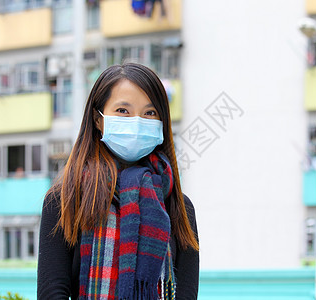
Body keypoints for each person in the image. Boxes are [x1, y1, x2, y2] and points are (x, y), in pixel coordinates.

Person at [37, 63, 199, 299]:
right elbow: (52, 292)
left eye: (150, 113)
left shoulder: (179, 206)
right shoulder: (64, 199)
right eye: (123, 110)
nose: (137, 121)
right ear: (97, 119)